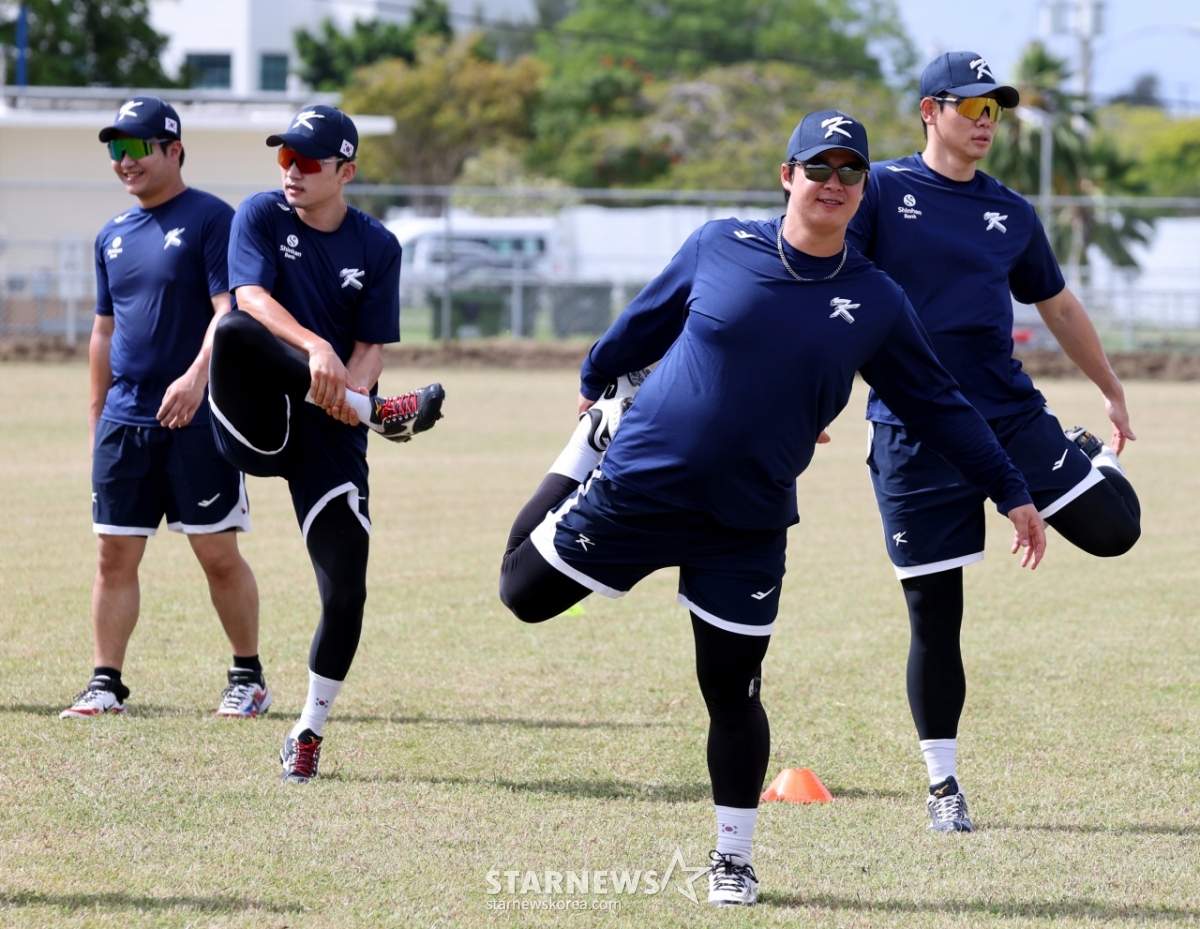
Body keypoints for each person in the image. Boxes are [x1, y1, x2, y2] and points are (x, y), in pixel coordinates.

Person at [498, 110, 1047, 906]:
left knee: (733, 686)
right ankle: (588, 446)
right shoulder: (719, 244)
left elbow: (939, 404)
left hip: (746, 521)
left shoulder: (878, 299)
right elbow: (639, 327)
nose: (833, 183)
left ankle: (733, 856)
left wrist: (1011, 488)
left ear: (863, 190)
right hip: (642, 486)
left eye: (849, 172)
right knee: (522, 594)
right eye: (817, 168)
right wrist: (598, 380)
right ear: (786, 176)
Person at [846, 51, 1143, 833]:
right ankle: (944, 785)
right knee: (935, 616)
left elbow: (1060, 305)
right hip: (913, 432)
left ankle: (1079, 449)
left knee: (1117, 530)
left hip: (1009, 416)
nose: (986, 124)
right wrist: (816, 394)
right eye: (971, 108)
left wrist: (1110, 386)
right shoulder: (880, 190)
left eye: (995, 112)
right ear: (929, 110)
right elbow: (837, 293)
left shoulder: (1010, 212)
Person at [206, 105, 445, 784]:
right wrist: (317, 348)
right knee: (231, 329)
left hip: (330, 427)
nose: (291, 172)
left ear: (347, 172)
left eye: (307, 162)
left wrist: (350, 390)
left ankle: (308, 728)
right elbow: (248, 297)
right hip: (254, 413)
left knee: (346, 591)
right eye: (285, 158)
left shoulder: (378, 246)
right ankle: (381, 415)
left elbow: (368, 349)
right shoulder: (258, 214)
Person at [62, 96, 271, 720]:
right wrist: (98, 412)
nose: (124, 162)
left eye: (136, 148)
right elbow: (104, 331)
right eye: (115, 150)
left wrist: (195, 381)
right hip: (125, 422)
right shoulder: (111, 235)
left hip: (197, 419)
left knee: (216, 554)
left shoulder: (212, 219)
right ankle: (106, 683)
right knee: (114, 554)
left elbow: (227, 314)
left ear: (173, 149)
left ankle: (248, 677)